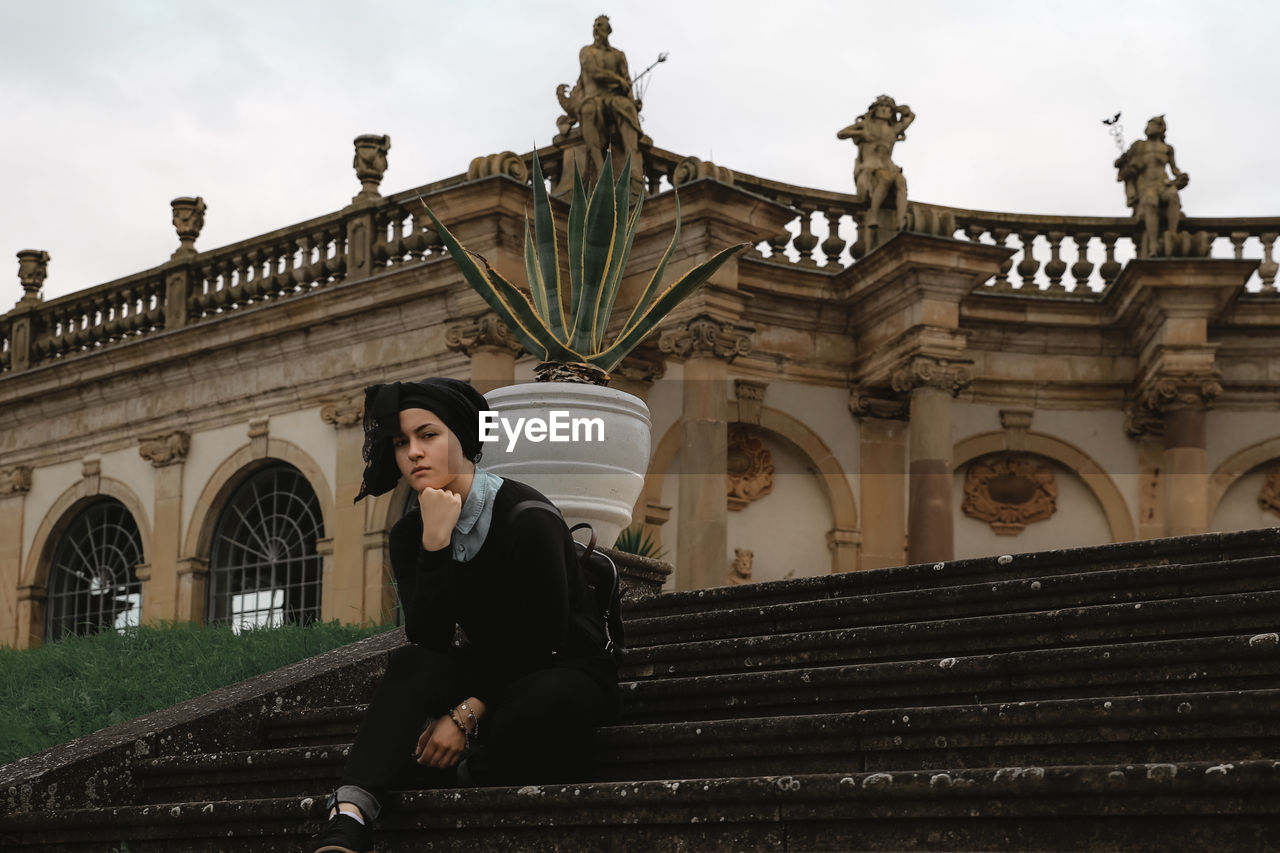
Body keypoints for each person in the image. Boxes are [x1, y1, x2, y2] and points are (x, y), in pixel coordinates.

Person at [309, 377, 621, 853]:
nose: (413, 452)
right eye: (400, 442)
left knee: (548, 702)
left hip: (562, 662)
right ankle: (350, 812)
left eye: (427, 435)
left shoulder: (526, 515)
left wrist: (465, 713)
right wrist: (434, 545)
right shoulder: (411, 533)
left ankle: (459, 769)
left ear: (461, 436)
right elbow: (429, 636)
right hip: (492, 664)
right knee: (411, 665)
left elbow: (546, 636)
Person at [576, 14, 642, 184]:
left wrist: (633, 101)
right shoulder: (586, 51)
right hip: (593, 98)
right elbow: (592, 71)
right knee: (588, 110)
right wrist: (617, 80)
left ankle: (633, 167)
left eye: (601, 25)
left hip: (613, 98)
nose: (597, 28)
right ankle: (600, 171)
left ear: (608, 30)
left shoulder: (618, 55)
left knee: (627, 108)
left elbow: (626, 81)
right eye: (595, 25)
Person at [837, 95, 916, 236]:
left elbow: (910, 116)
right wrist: (861, 132)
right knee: (884, 178)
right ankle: (873, 214)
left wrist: (897, 108)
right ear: (875, 109)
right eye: (881, 106)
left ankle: (901, 219)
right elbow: (841, 133)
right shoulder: (866, 125)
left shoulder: (893, 129)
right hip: (869, 168)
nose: (884, 110)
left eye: (887, 108)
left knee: (901, 181)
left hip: (888, 166)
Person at [1115, 115, 1189, 258]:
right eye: (1148, 125)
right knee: (1151, 201)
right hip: (1146, 185)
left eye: (1152, 125)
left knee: (1173, 195)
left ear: (1161, 128)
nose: (1149, 128)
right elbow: (1124, 166)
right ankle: (1153, 244)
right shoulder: (1140, 146)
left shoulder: (1167, 148)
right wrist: (1125, 164)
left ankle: (1172, 236)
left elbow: (1174, 169)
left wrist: (1181, 178)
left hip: (1163, 183)